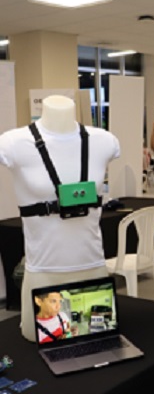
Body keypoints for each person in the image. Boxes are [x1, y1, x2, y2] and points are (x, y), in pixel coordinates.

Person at [0, 95, 118, 341]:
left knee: (95, 350)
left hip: (93, 271)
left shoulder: (104, 141)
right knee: (46, 361)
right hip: (44, 275)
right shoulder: (12, 143)